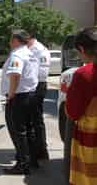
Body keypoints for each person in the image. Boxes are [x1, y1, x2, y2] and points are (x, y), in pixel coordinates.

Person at [1, 29, 39, 175]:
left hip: (18, 97)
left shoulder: (17, 54)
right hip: (30, 95)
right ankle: (32, 160)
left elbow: (15, 76)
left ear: (16, 40)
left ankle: (23, 164)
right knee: (29, 130)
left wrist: (11, 95)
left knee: (18, 132)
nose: (9, 42)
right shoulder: (31, 54)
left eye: (11, 39)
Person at [66, 27, 97, 185]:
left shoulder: (83, 74)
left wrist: (70, 92)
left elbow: (73, 112)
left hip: (91, 142)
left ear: (82, 49)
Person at [27, 32, 51, 161]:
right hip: (35, 84)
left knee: (36, 120)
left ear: (30, 38)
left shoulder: (38, 49)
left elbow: (41, 72)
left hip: (37, 85)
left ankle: (41, 150)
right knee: (35, 119)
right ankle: (40, 148)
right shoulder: (33, 48)